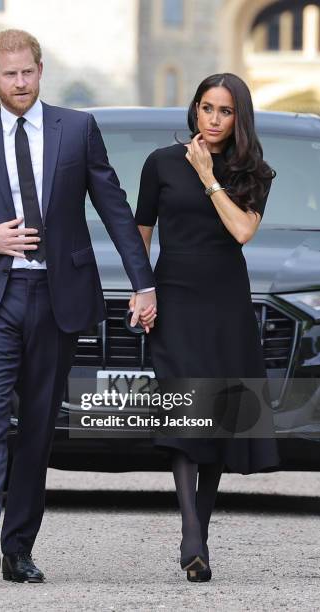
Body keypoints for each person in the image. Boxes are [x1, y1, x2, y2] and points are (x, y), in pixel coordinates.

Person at [0, 29, 156, 583]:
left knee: (36, 428)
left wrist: (143, 282)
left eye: (28, 72)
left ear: (40, 70)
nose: (20, 83)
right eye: (9, 74)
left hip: (57, 298)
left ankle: (19, 548)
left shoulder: (76, 129)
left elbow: (113, 206)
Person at [133, 73, 279, 582]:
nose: (213, 119)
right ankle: (192, 533)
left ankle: (199, 533)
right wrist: (141, 288)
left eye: (224, 111)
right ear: (194, 110)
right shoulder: (159, 164)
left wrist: (209, 177)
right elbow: (141, 235)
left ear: (239, 118)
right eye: (206, 108)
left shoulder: (253, 172)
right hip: (174, 300)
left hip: (225, 305)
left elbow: (241, 231)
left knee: (216, 415)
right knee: (184, 410)